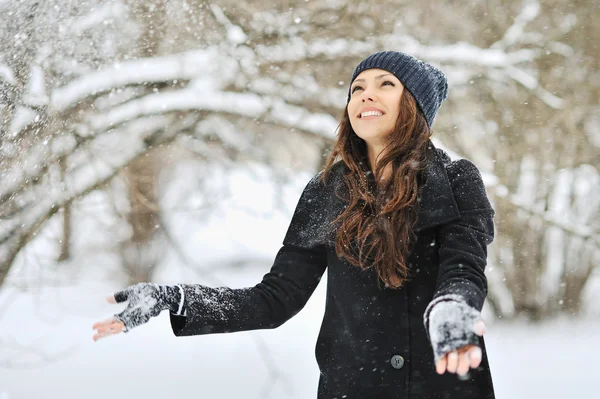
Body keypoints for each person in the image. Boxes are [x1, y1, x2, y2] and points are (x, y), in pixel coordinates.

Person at [92, 51, 496, 399]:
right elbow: (276, 298)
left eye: (385, 84)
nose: (365, 94)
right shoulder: (326, 192)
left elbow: (463, 268)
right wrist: (178, 298)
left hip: (441, 384)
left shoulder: (457, 179)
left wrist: (452, 309)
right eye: (357, 88)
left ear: (414, 105)